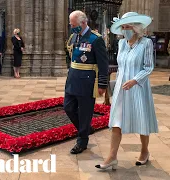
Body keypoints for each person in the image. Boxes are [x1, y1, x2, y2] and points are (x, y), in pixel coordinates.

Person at [95, 12, 158, 170]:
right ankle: (112, 157)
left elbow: (148, 67)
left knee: (141, 119)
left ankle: (144, 151)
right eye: (122, 27)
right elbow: (121, 65)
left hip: (138, 87)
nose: (125, 30)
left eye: (127, 26)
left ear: (136, 27)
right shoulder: (122, 44)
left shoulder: (146, 43)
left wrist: (135, 80)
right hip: (121, 88)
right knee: (117, 121)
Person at [64, 10, 109, 154]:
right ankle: (86, 129)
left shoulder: (95, 39)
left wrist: (102, 84)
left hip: (87, 82)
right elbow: (70, 56)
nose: (72, 27)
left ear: (84, 23)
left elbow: (103, 64)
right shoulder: (73, 37)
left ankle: (82, 141)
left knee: (85, 113)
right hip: (72, 80)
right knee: (68, 107)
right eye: (71, 24)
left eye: (74, 24)